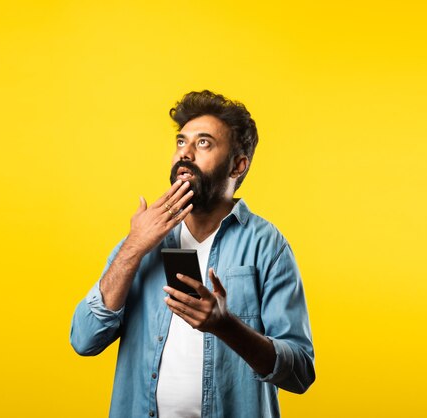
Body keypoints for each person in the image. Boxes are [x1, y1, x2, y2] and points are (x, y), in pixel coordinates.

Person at [70, 90, 315, 418]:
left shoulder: (267, 246)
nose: (185, 154)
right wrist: (134, 246)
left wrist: (225, 325)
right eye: (181, 142)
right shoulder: (144, 238)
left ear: (237, 166)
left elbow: (300, 372)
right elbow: (84, 340)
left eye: (203, 144)